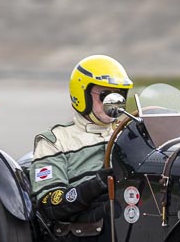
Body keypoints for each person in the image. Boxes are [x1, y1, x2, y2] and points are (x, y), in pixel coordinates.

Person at [30, 55, 133, 223]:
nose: (114, 103)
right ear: (82, 95)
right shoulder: (55, 140)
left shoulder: (129, 132)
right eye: (105, 95)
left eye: (119, 96)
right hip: (85, 226)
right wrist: (97, 184)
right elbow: (50, 204)